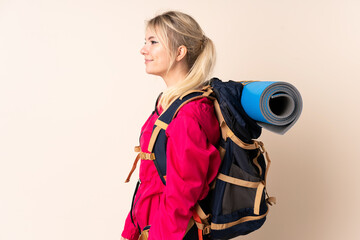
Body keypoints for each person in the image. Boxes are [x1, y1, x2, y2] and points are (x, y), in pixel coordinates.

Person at [121, 11, 221, 240]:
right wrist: (131, 232)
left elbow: (181, 196)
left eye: (153, 42)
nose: (143, 49)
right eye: (145, 41)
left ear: (179, 52)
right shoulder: (169, 105)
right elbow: (150, 180)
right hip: (150, 229)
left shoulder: (187, 114)